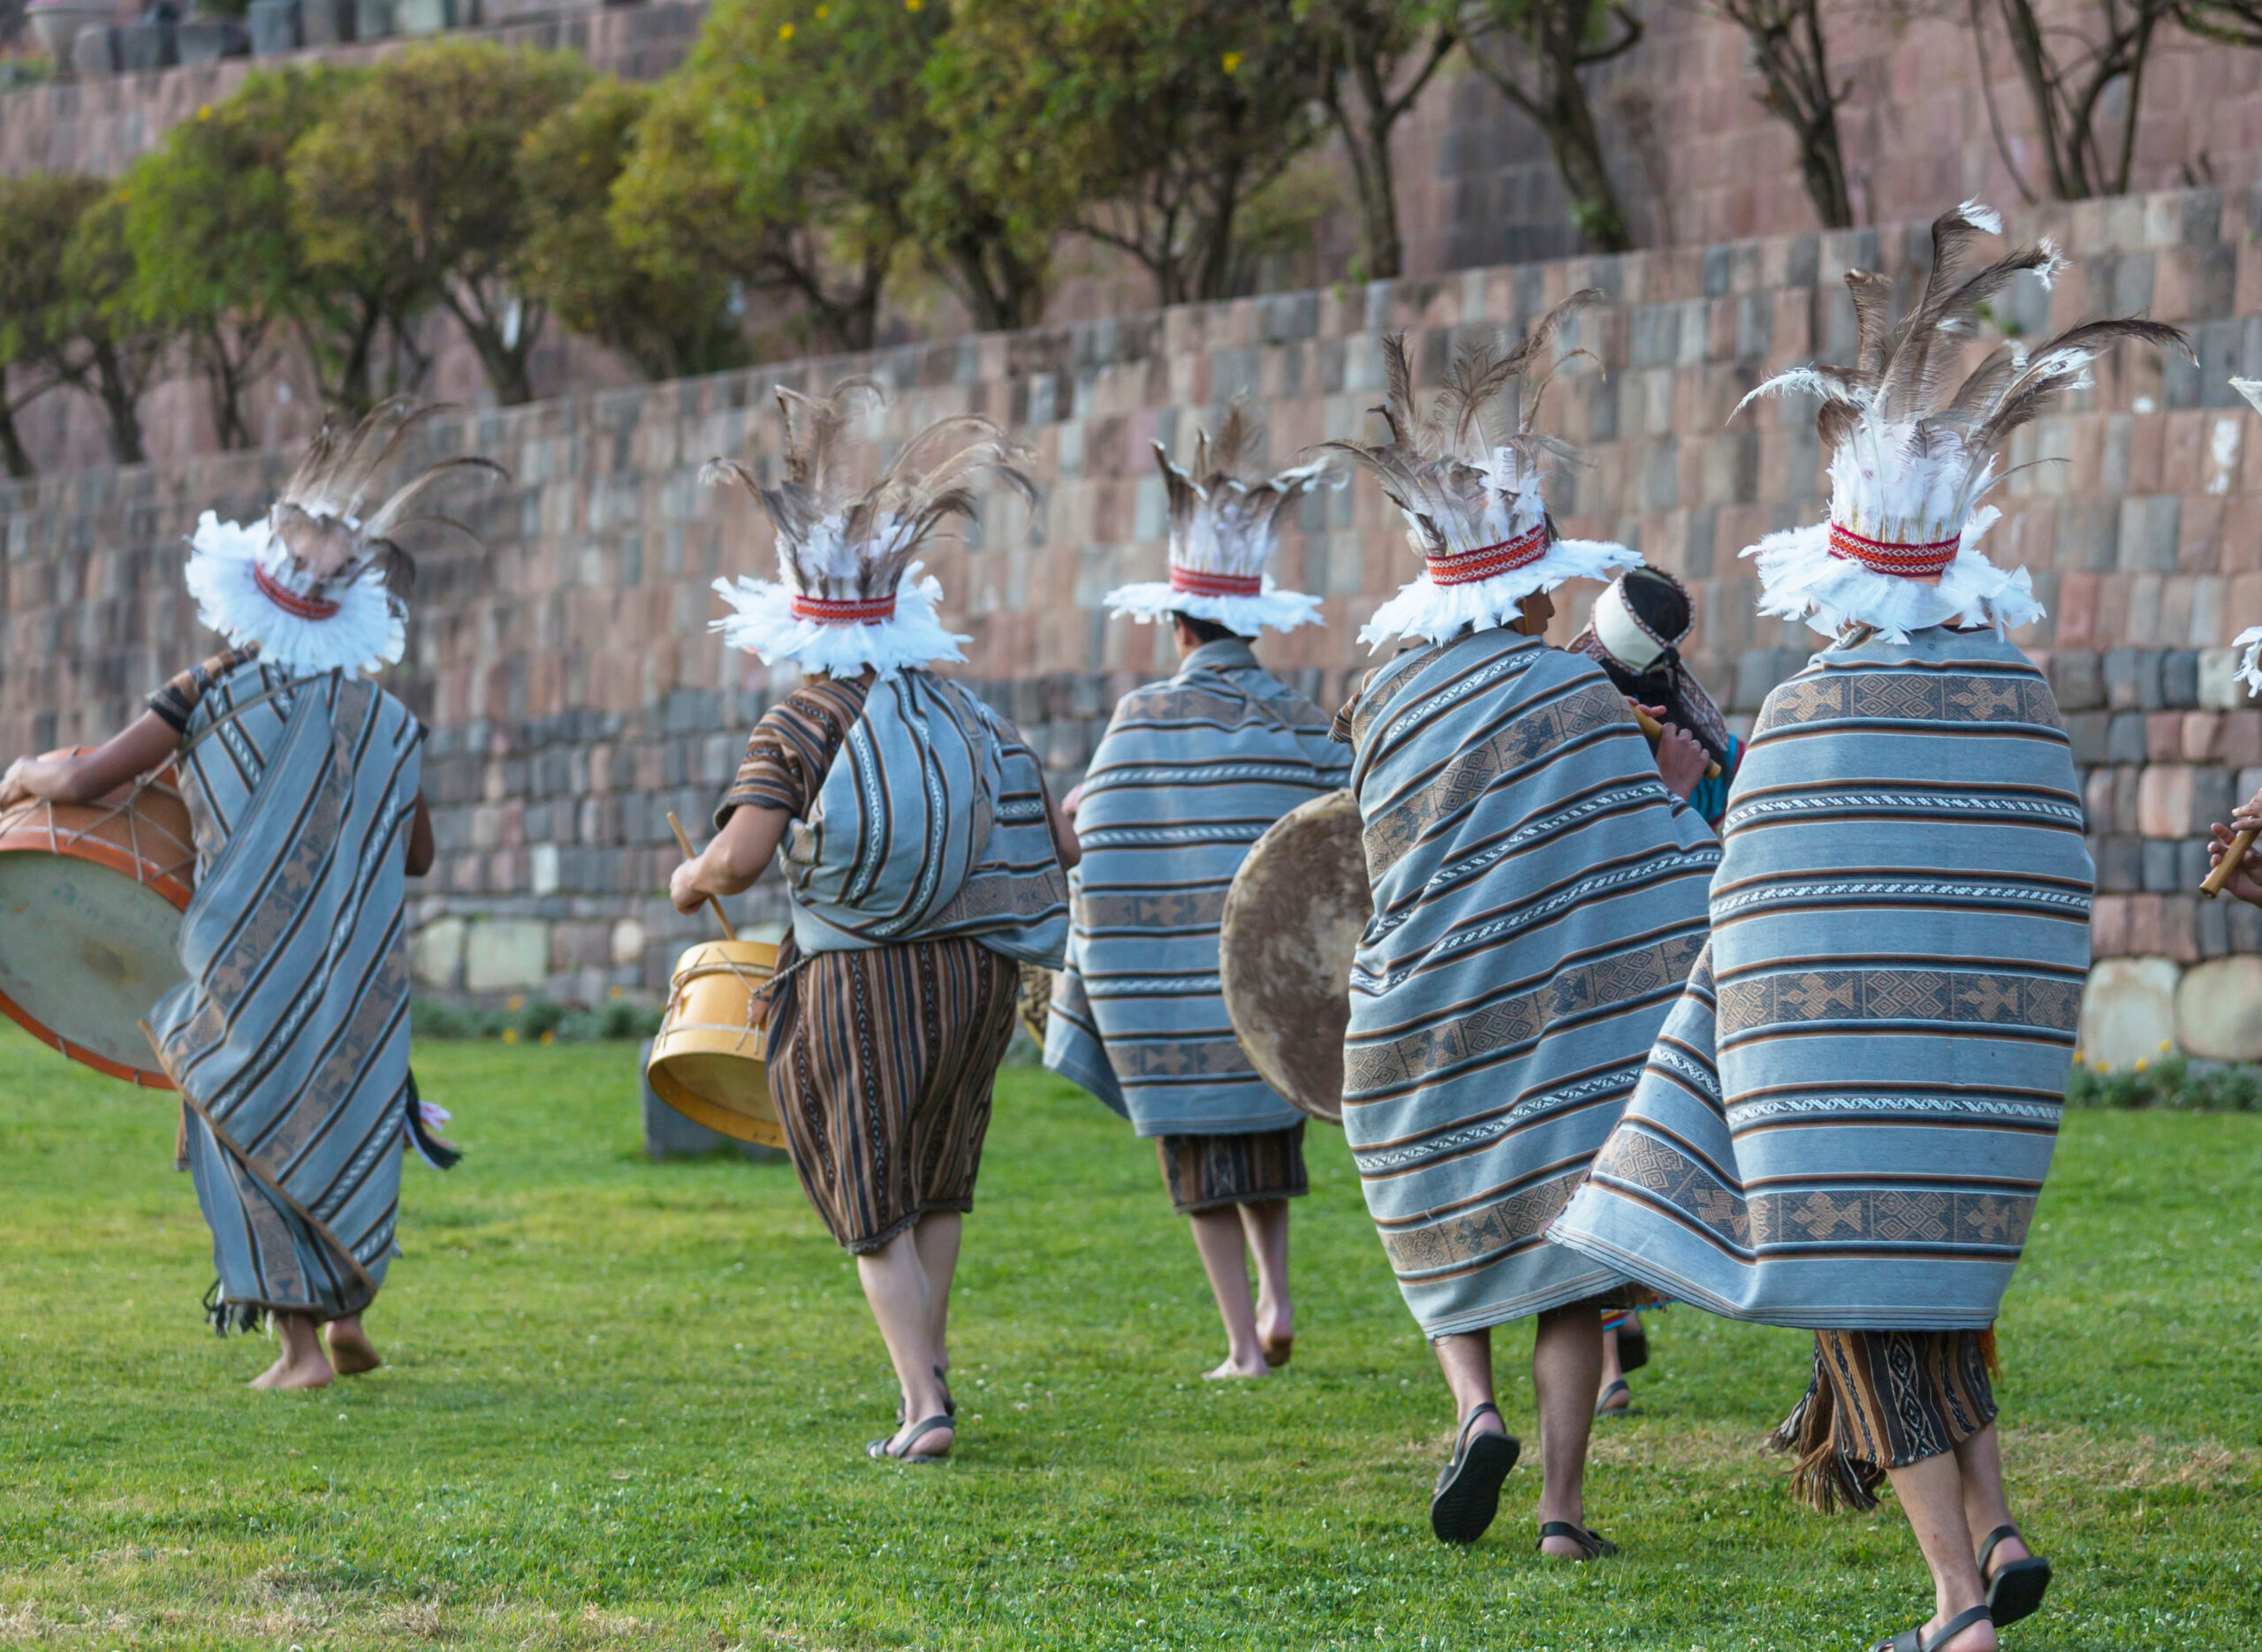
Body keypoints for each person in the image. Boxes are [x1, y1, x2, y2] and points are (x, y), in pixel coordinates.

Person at [1553, 204, 2187, 1652]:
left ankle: (1958, 1603)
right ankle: (2005, 1526)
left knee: (1863, 1305)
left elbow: (1754, 897)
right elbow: (2054, 884)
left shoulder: (1803, 710)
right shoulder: (2020, 701)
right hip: (1981, 1088)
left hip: (1834, 1089)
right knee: (1942, 1296)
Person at [1320, 302, 1720, 1554]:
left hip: (1420, 1010)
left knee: (1431, 1202)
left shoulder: (1382, 697)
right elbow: (1647, 852)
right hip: (1556, 1020)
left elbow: (1379, 849)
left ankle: (1472, 1406)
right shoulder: (1574, 693)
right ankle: (1558, 1512)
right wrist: (1667, 793)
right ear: (1531, 585)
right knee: (1569, 1258)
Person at [0, 400, 496, 1389]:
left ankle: (299, 1348)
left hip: (239, 959)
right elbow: (421, 852)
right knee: (338, 1112)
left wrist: (21, 771)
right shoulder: (384, 719)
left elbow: (94, 777)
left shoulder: (210, 689)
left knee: (233, 1115)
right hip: (354, 969)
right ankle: (349, 1305)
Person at [670, 379, 1074, 1463]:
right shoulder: (964, 708)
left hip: (860, 981)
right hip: (978, 977)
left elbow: (745, 860)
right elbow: (1054, 841)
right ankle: (929, 1381)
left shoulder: (802, 716)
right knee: (937, 1176)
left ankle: (922, 1406)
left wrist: (689, 875)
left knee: (869, 1191)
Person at [1044, 406, 1347, 1380]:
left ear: (1174, 624)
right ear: (1250, 622)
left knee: (1199, 1174)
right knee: (1262, 1147)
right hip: (1271, 998)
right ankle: (1280, 1296)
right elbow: (1345, 827)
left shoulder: (1139, 719)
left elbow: (1105, 839)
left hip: (1175, 1001)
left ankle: (1239, 1346)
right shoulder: (1299, 719)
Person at [1564, 565, 1744, 1413]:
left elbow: (1718, 847)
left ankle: (1612, 1332)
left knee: (1611, 1146)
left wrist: (1678, 796)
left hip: (1650, 972)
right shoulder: (1580, 719)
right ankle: (1608, 1346)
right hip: (1596, 967)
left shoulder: (1697, 738)